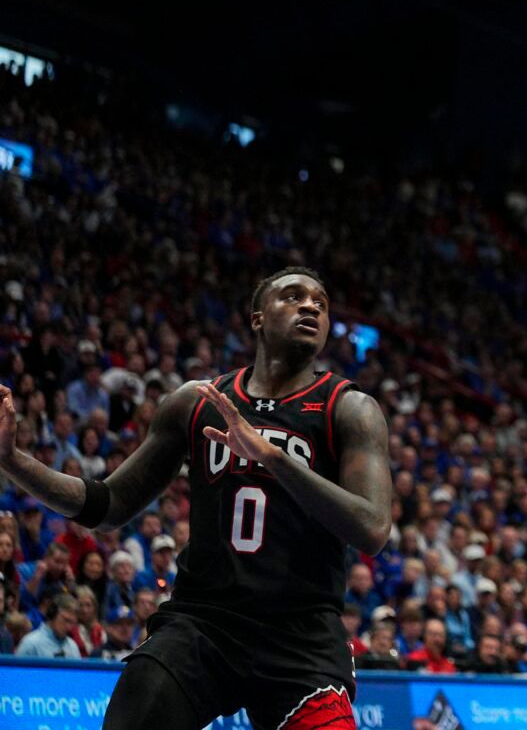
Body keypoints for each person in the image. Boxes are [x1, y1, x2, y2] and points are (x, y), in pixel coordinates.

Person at [0, 268, 393, 730]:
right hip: (203, 622)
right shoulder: (196, 401)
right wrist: (11, 460)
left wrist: (273, 458)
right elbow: (107, 506)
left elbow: (372, 529)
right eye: (293, 296)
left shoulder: (350, 408)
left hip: (301, 634)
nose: (311, 307)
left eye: (321, 303)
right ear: (258, 317)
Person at [15, 590, 80, 658]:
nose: (69, 627)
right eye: (66, 620)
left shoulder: (73, 647)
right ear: (53, 614)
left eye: (72, 623)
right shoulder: (31, 644)